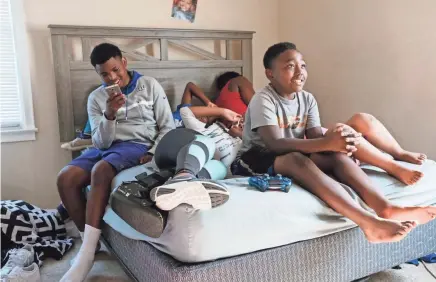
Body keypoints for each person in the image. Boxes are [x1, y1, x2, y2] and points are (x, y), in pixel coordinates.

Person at [232, 42, 435, 244]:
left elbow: (315, 140)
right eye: (289, 66)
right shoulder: (263, 99)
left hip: (288, 153)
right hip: (254, 158)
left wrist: (335, 147)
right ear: (270, 74)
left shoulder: (307, 99)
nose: (299, 72)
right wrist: (326, 143)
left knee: (335, 155)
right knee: (295, 159)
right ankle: (368, 224)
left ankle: (384, 207)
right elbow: (275, 144)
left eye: (302, 65)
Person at [57, 43, 175, 282]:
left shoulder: (149, 86)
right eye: (104, 74)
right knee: (65, 178)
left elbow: (167, 127)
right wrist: (109, 114)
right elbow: (100, 144)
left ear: (124, 63)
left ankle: (86, 257)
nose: (112, 77)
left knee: (101, 171)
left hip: (136, 145)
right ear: (97, 73)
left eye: (115, 70)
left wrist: (153, 152)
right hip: (106, 147)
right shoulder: (96, 98)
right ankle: (89, 241)